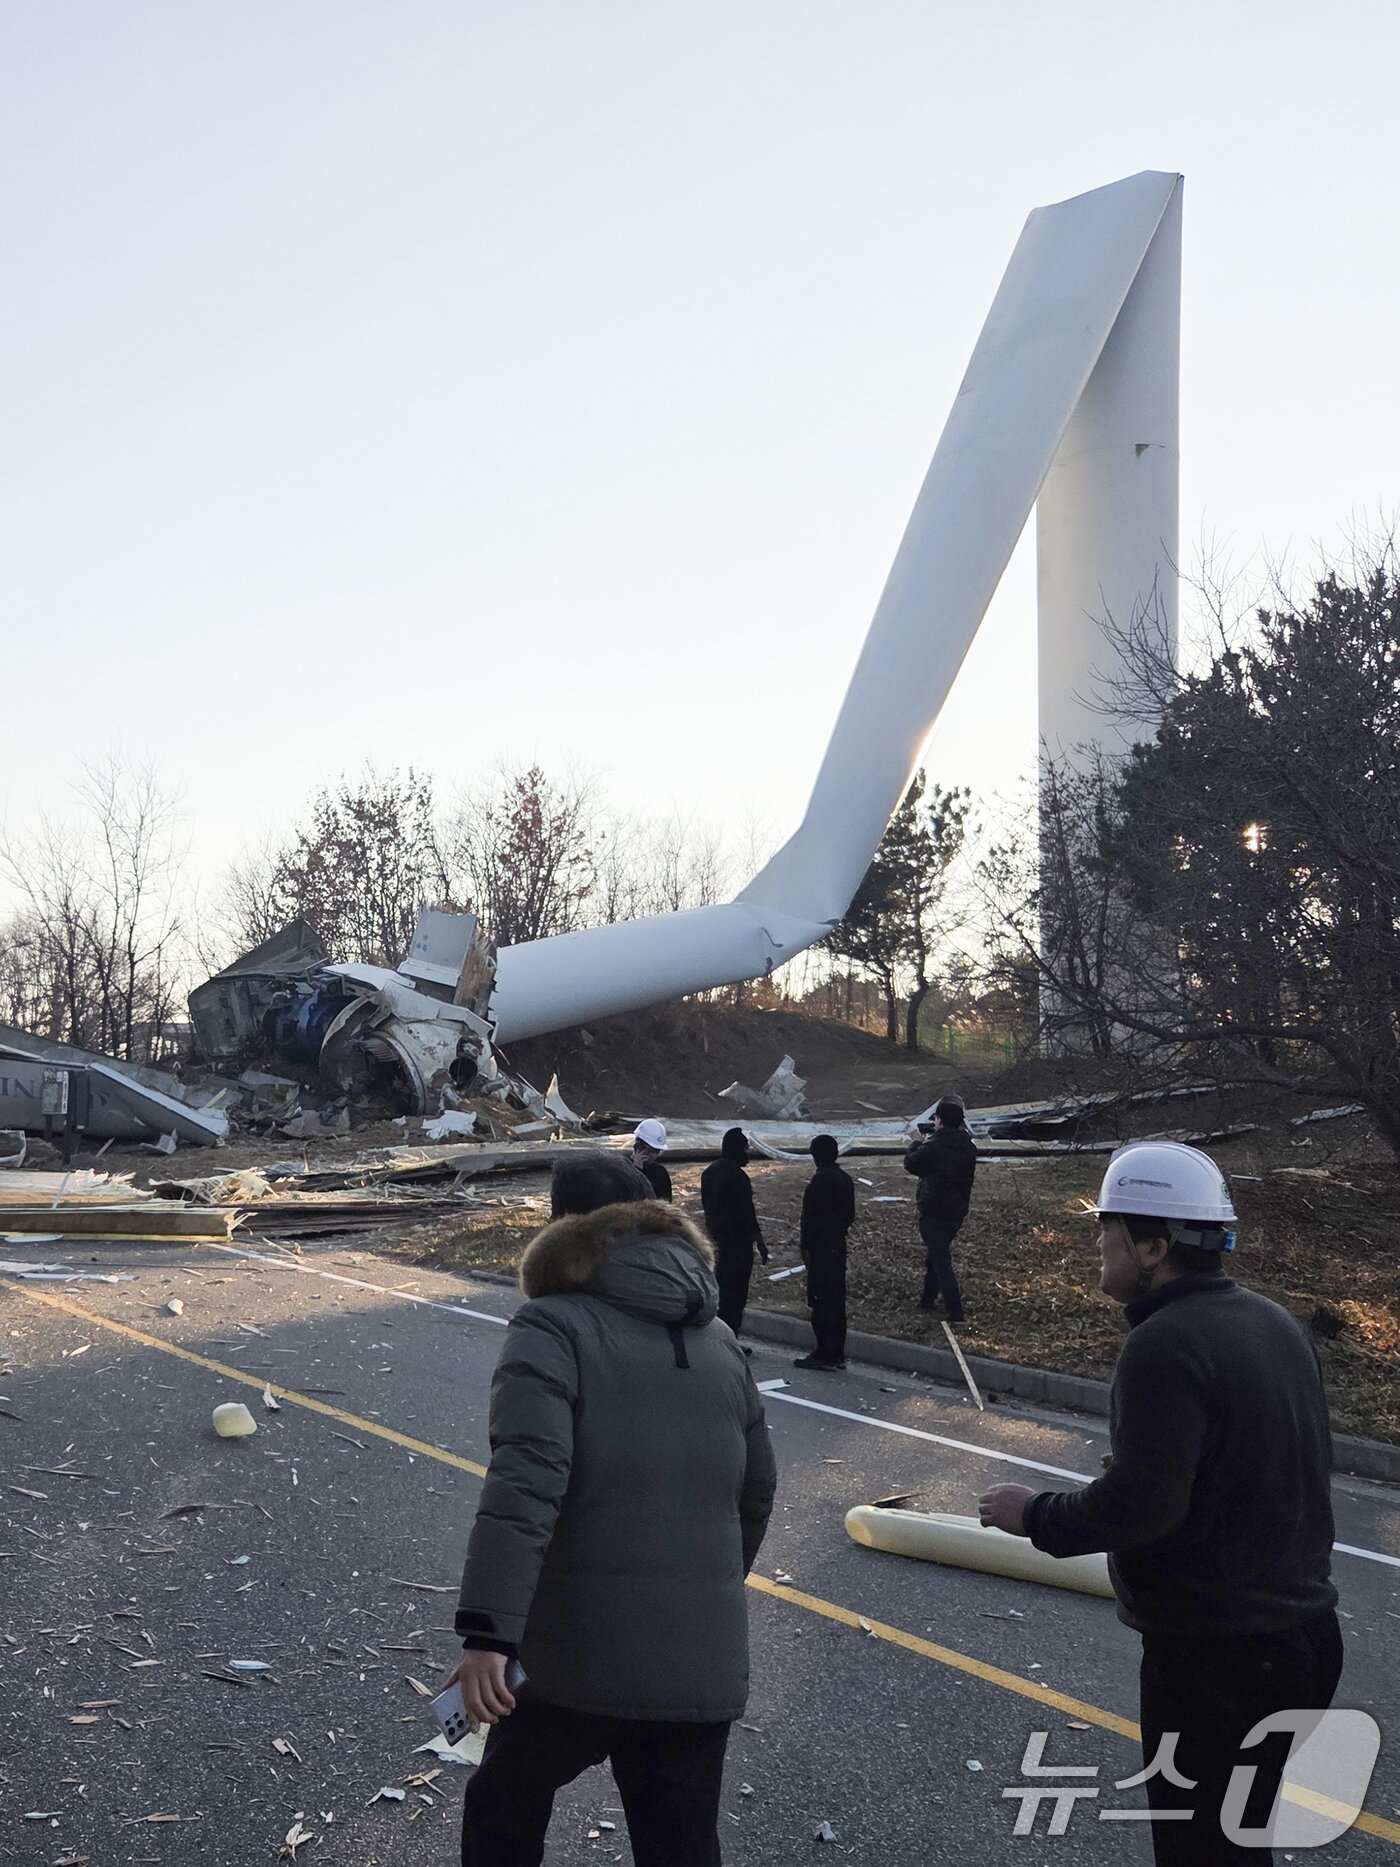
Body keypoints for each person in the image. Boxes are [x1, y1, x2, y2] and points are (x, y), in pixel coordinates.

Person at [978, 1142, 1340, 1865]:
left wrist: (1034, 1514)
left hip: (1217, 1658)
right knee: (1241, 1842)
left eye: (1106, 1227)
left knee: (1200, 1851)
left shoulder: (1162, 1343)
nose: (1097, 1241)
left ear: (1153, 1244)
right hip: (1304, 1639)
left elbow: (1143, 1507)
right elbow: (1264, 1466)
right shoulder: (1271, 1322)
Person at [447, 1149, 777, 1867]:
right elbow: (756, 1491)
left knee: (502, 1807)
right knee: (680, 1843)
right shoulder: (720, 1340)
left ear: (563, 1225)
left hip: (574, 1660)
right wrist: (701, 1592)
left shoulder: (552, 1325)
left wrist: (488, 1635)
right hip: (701, 1663)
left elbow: (525, 1486)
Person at [902, 1095, 976, 1321]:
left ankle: (956, 1311)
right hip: (956, 1211)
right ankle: (927, 1300)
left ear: (941, 1121)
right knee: (935, 1256)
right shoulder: (968, 1146)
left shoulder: (934, 1145)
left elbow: (912, 1164)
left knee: (941, 1261)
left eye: (936, 1120)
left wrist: (916, 1142)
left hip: (933, 1210)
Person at [793, 1133, 856, 1372]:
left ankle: (824, 1353)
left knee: (821, 1300)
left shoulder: (819, 1182)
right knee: (837, 1299)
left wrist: (806, 1248)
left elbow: (809, 1219)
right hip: (838, 1244)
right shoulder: (844, 1179)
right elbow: (850, 1215)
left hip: (821, 1247)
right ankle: (837, 1352)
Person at [700, 1126, 769, 1340]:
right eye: (745, 1149)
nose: (748, 1154)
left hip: (715, 1243)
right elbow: (746, 1214)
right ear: (736, 1149)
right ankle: (730, 1338)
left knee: (719, 1291)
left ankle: (714, 1335)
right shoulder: (738, 1177)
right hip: (737, 1246)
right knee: (736, 1294)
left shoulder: (709, 1173)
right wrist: (760, 1242)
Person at [631, 1117, 672, 1201]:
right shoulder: (623, 1168)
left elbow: (667, 1202)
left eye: (657, 1152)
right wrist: (637, 1170)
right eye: (651, 1151)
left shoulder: (660, 1172)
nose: (654, 1156)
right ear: (639, 1147)